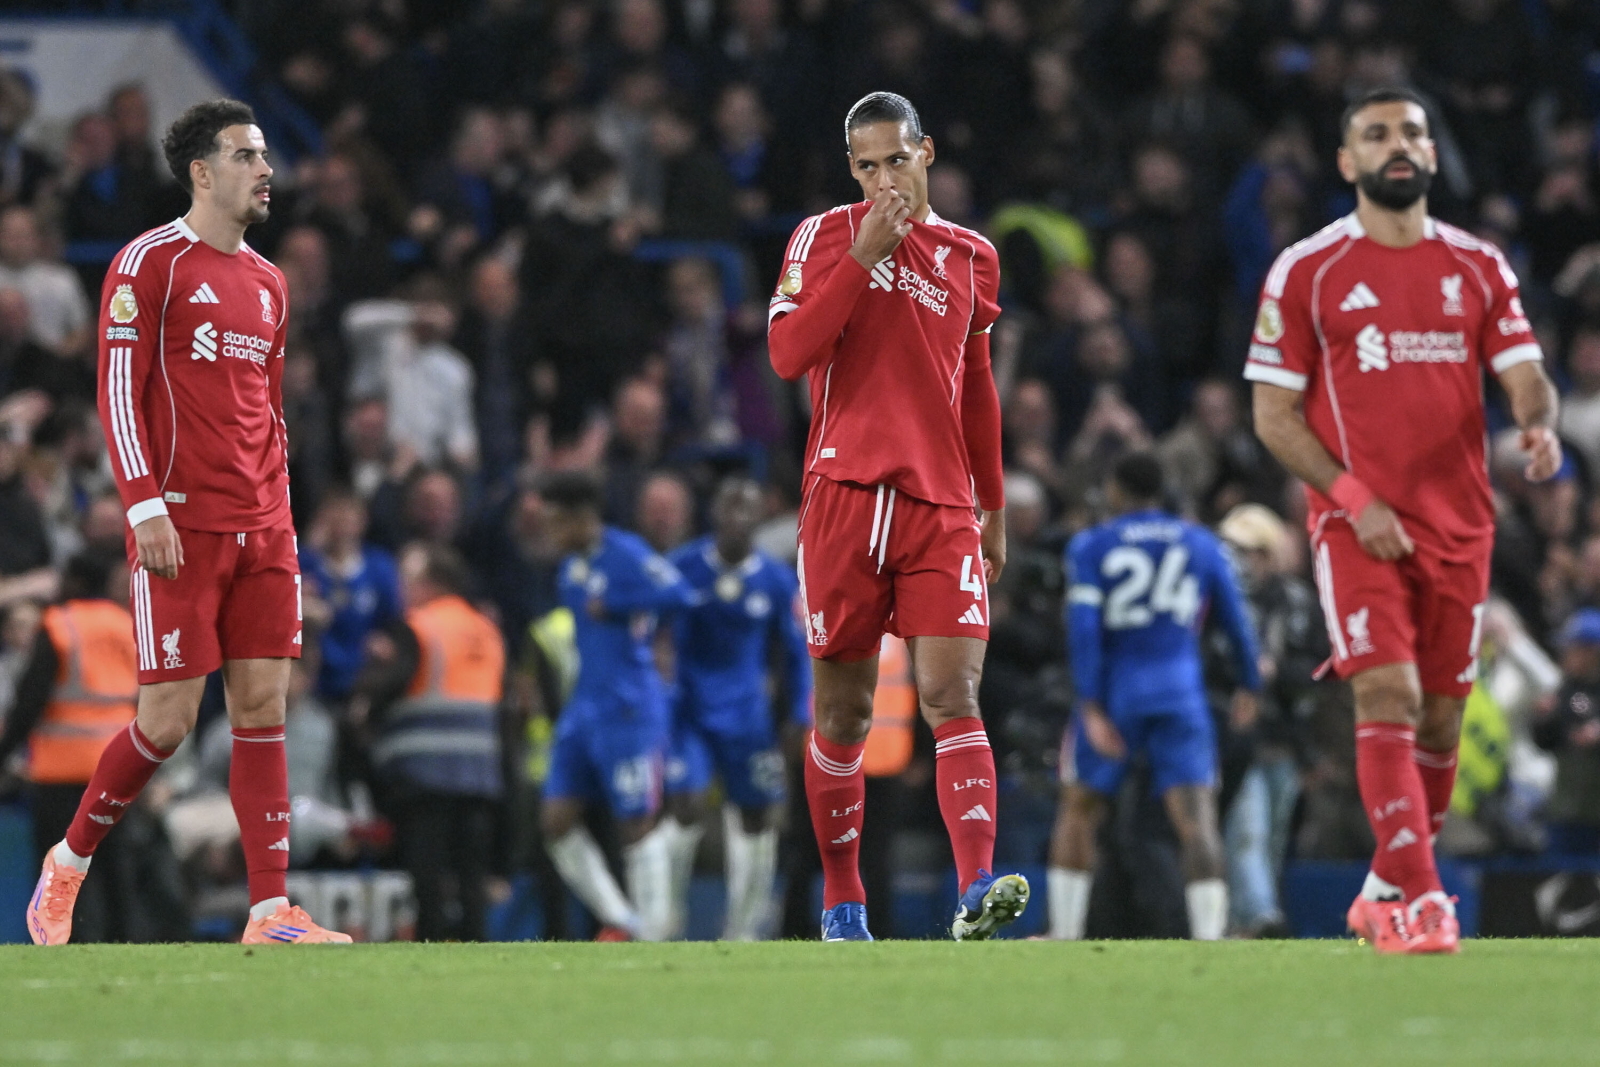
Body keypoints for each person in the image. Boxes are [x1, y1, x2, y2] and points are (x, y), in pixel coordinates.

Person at [1245, 87, 1562, 954]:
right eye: (1376, 134)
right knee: (1388, 692)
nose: (1398, 145)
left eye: (1412, 132)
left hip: (1460, 526)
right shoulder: (1308, 270)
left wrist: (1535, 419)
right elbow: (1274, 415)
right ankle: (1421, 898)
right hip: (1356, 524)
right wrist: (1352, 499)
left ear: (1430, 154)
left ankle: (1382, 884)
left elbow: (1525, 369)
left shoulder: (1477, 265)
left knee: (1441, 721)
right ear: (1346, 163)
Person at [26, 99, 350, 945]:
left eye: (266, 153)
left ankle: (270, 909)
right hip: (179, 523)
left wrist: (282, 521)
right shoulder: (149, 264)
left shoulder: (272, 284)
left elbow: (270, 416)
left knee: (264, 708)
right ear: (202, 171)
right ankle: (67, 863)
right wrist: (142, 505)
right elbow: (116, 393)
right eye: (247, 154)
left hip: (262, 526)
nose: (266, 168)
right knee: (167, 723)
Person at [767, 91, 1025, 941]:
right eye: (867, 166)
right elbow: (788, 353)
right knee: (842, 716)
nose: (885, 181)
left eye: (897, 161)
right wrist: (863, 254)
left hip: (942, 504)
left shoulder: (972, 256)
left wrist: (990, 503)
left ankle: (976, 889)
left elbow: (977, 386)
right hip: (844, 494)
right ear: (852, 169)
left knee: (954, 694)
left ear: (928, 153)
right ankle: (844, 902)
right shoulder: (822, 236)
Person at [1046, 452, 1261, 942]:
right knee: (1195, 815)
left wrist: (1091, 705)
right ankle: (1210, 933)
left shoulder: (1092, 546)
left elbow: (1083, 631)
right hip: (1180, 691)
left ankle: (1063, 931)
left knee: (1080, 807)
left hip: (1119, 690)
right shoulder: (1200, 543)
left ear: (1117, 491)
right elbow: (1236, 620)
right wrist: (1250, 683)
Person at [538, 471, 694, 941]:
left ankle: (655, 932)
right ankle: (624, 920)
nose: (549, 533)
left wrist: (622, 604)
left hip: (629, 705)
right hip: (584, 706)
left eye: (555, 523)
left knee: (635, 822)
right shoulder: (570, 568)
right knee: (556, 821)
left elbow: (677, 593)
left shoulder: (625, 553)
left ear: (581, 519)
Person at [661, 476, 811, 940]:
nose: (738, 517)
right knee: (685, 805)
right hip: (690, 714)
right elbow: (655, 636)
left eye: (747, 507)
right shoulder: (682, 567)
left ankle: (744, 929)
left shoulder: (776, 579)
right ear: (714, 513)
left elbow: (796, 653)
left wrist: (800, 715)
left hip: (749, 720)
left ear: (761, 516)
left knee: (756, 817)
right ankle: (664, 920)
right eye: (730, 505)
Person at [357, 542, 505, 941]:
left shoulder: (419, 626)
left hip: (425, 773)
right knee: (472, 875)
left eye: (409, 580)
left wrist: (367, 697)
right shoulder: (486, 630)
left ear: (430, 584)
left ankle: (432, 942)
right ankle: (476, 943)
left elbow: (392, 685)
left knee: (428, 873)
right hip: (479, 773)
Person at [0, 552, 138, 941]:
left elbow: (31, 699)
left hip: (61, 769)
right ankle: (122, 942)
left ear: (74, 582)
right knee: (114, 868)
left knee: (59, 869)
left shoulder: (60, 625)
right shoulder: (126, 624)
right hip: (117, 770)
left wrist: (5, 752)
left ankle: (57, 939)